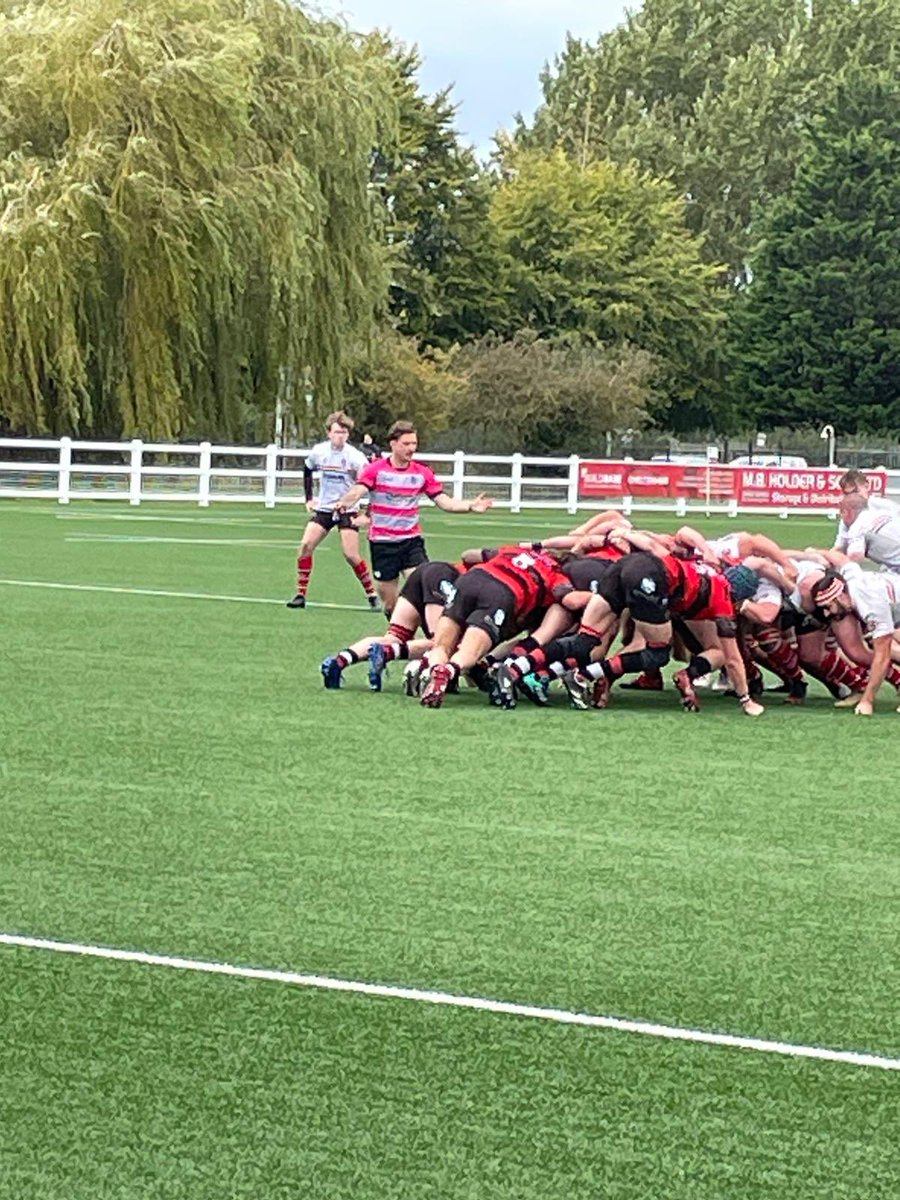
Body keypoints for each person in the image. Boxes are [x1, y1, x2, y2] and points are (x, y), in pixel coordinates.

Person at [333, 420, 493, 615]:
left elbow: (444, 502)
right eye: (406, 444)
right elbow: (359, 489)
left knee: (426, 589)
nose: (411, 448)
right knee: (391, 605)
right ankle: (397, 631)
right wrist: (344, 502)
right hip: (383, 545)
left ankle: (432, 631)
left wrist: (469, 506)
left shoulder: (422, 473)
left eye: (414, 443)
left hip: (411, 543)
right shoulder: (376, 470)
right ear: (393, 444)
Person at [286, 411, 378, 610]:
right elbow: (307, 469)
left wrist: (368, 513)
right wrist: (309, 498)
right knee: (305, 546)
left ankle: (372, 594)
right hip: (325, 509)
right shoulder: (319, 452)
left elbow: (372, 484)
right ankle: (300, 595)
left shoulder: (355, 457)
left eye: (344, 432)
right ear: (329, 433)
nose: (340, 436)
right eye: (337, 432)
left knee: (351, 555)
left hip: (348, 510)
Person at [812, 558, 900, 715]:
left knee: (883, 646)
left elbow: (882, 656)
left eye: (828, 607)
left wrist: (867, 701)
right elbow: (842, 559)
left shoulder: (869, 605)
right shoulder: (849, 577)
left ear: (840, 597)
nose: (826, 613)